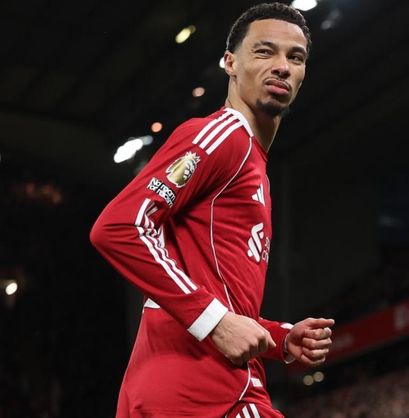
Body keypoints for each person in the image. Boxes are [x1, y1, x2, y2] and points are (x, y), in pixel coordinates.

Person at [90, 3, 334, 417]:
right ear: (230, 62)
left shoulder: (253, 164)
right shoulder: (225, 136)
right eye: (264, 51)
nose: (282, 66)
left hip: (191, 382)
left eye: (295, 57)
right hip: (205, 388)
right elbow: (120, 226)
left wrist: (278, 338)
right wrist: (215, 322)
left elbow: (214, 289)